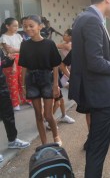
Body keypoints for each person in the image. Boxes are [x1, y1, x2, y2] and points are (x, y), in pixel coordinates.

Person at [68, 0, 110, 178]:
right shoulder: (92, 20)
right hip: (99, 94)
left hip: (92, 91)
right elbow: (94, 63)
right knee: (97, 148)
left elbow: (89, 58)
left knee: (96, 144)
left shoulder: (85, 17)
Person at [60, 50, 110, 150]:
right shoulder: (76, 49)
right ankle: (91, 137)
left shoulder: (99, 46)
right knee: (89, 112)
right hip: (85, 87)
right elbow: (62, 65)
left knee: (106, 111)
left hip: (102, 85)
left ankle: (109, 133)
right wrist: (74, 78)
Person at [18, 15, 62, 146]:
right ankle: (44, 143)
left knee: (48, 115)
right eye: (25, 26)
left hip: (47, 79)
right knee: (38, 115)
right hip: (31, 80)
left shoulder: (49, 44)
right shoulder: (24, 45)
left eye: (31, 26)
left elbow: (55, 65)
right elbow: (24, 66)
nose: (27, 28)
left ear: (40, 26)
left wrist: (56, 85)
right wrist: (23, 86)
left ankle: (56, 137)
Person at [0, 48, 30, 163]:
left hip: (2, 85)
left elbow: (2, 64)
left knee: (8, 114)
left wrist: (9, 60)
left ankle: (12, 140)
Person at [0, 18, 31, 110]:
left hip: (21, 59)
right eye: (14, 26)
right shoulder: (3, 37)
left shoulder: (18, 36)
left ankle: (28, 99)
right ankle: (15, 103)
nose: (16, 28)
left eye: (17, 26)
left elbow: (24, 49)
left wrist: (18, 50)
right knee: (12, 83)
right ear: (7, 26)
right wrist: (18, 52)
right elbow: (9, 52)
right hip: (10, 62)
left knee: (23, 81)